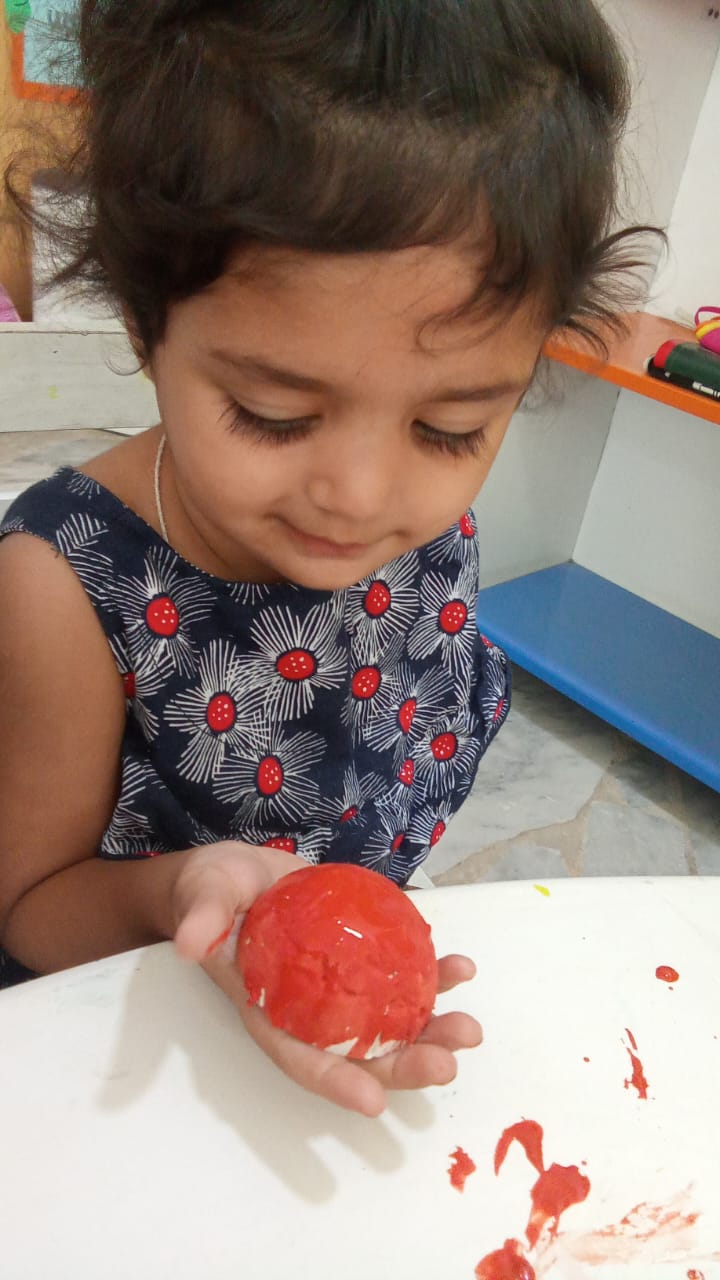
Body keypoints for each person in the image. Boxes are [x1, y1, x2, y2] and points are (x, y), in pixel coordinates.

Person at [0, 0, 652, 1114]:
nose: (360, 497)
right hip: (130, 1029)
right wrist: (184, 898)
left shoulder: (419, 523)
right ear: (146, 324)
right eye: (273, 414)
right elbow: (27, 904)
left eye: (449, 428)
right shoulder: (62, 586)